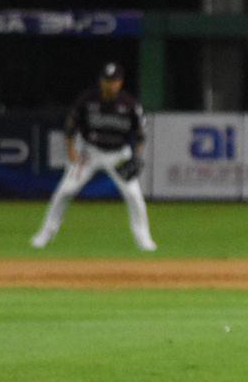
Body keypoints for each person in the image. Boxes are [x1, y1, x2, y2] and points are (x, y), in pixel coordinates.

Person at [31, 62, 155, 252]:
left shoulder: (130, 105)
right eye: (107, 80)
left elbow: (140, 134)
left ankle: (144, 240)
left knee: (134, 196)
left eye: (114, 81)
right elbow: (71, 125)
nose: (110, 84)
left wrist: (136, 155)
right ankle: (45, 234)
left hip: (118, 154)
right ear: (101, 81)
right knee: (65, 191)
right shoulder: (88, 100)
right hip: (90, 152)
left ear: (120, 83)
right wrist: (71, 150)